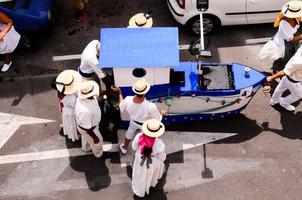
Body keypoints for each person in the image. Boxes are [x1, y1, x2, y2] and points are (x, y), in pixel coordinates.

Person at [119, 79, 165, 154]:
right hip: (145, 125)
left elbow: (121, 107)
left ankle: (124, 148)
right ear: (145, 92)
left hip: (133, 122)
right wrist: (162, 113)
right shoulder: (150, 106)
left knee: (129, 133)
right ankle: (148, 151)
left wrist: (119, 93)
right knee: (149, 138)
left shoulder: (127, 100)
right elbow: (157, 119)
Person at [258, 1, 302, 72]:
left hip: (292, 41)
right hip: (284, 44)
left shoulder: (295, 17)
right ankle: (277, 72)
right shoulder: (283, 24)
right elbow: (290, 40)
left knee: (287, 60)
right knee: (284, 61)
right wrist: (300, 37)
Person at [131, 119, 166, 198]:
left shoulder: (138, 136)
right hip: (152, 162)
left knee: (140, 175)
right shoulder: (160, 143)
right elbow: (162, 158)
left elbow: (134, 147)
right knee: (149, 175)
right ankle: (149, 186)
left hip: (140, 159)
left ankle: (139, 191)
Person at [266, 45, 302, 112]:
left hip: (287, 77)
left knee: (279, 89)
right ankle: (284, 103)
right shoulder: (299, 62)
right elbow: (284, 72)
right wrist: (272, 77)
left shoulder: (300, 50)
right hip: (293, 81)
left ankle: (273, 101)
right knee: (299, 95)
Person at [75, 80, 103, 158]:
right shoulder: (84, 111)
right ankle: (98, 153)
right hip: (90, 129)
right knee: (98, 142)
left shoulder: (85, 97)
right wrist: (95, 137)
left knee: (86, 138)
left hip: (86, 124)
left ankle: (86, 148)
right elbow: (87, 128)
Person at [55, 70, 82, 142]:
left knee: (68, 124)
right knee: (73, 125)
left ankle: (71, 135)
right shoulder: (73, 96)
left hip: (65, 110)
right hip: (72, 112)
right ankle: (76, 136)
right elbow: (75, 105)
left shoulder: (61, 92)